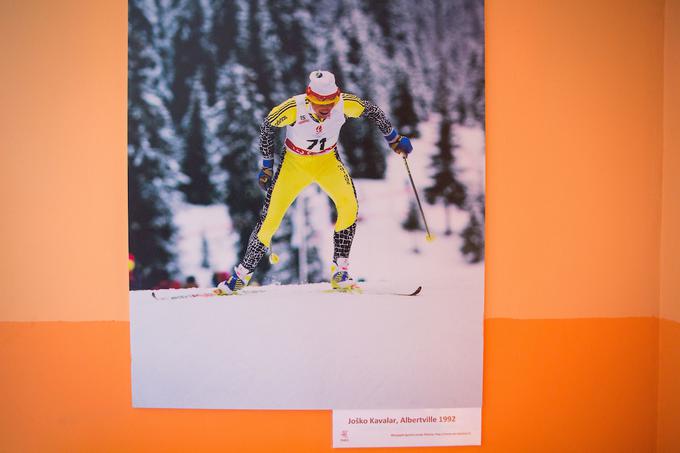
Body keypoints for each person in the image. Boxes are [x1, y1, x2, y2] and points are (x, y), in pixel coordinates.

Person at [217, 70, 413, 294]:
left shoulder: (343, 104)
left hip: (327, 162)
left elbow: (373, 111)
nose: (326, 108)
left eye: (331, 101)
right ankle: (242, 274)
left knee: (349, 205)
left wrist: (394, 138)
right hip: (294, 166)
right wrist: (267, 167)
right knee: (270, 219)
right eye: (321, 102)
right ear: (310, 98)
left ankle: (341, 271)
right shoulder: (294, 108)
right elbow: (267, 127)